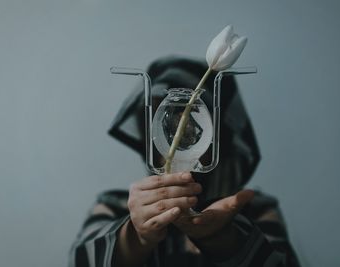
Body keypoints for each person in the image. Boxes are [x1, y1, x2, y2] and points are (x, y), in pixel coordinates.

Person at [69, 56, 300, 267]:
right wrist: (136, 235)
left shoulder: (254, 209)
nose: (178, 142)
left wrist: (224, 238)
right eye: (166, 129)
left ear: (219, 136)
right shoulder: (115, 206)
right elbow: (80, 261)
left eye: (194, 131)